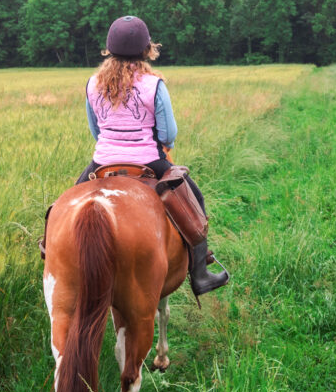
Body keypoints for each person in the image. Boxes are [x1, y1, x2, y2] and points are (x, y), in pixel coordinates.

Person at [74, 15, 230, 296]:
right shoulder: (154, 85)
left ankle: (53, 252)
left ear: (109, 49)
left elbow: (95, 129)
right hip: (148, 160)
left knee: (67, 204)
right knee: (195, 201)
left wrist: (113, 144)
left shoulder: (92, 84)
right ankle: (201, 273)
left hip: (103, 159)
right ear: (147, 50)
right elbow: (168, 134)